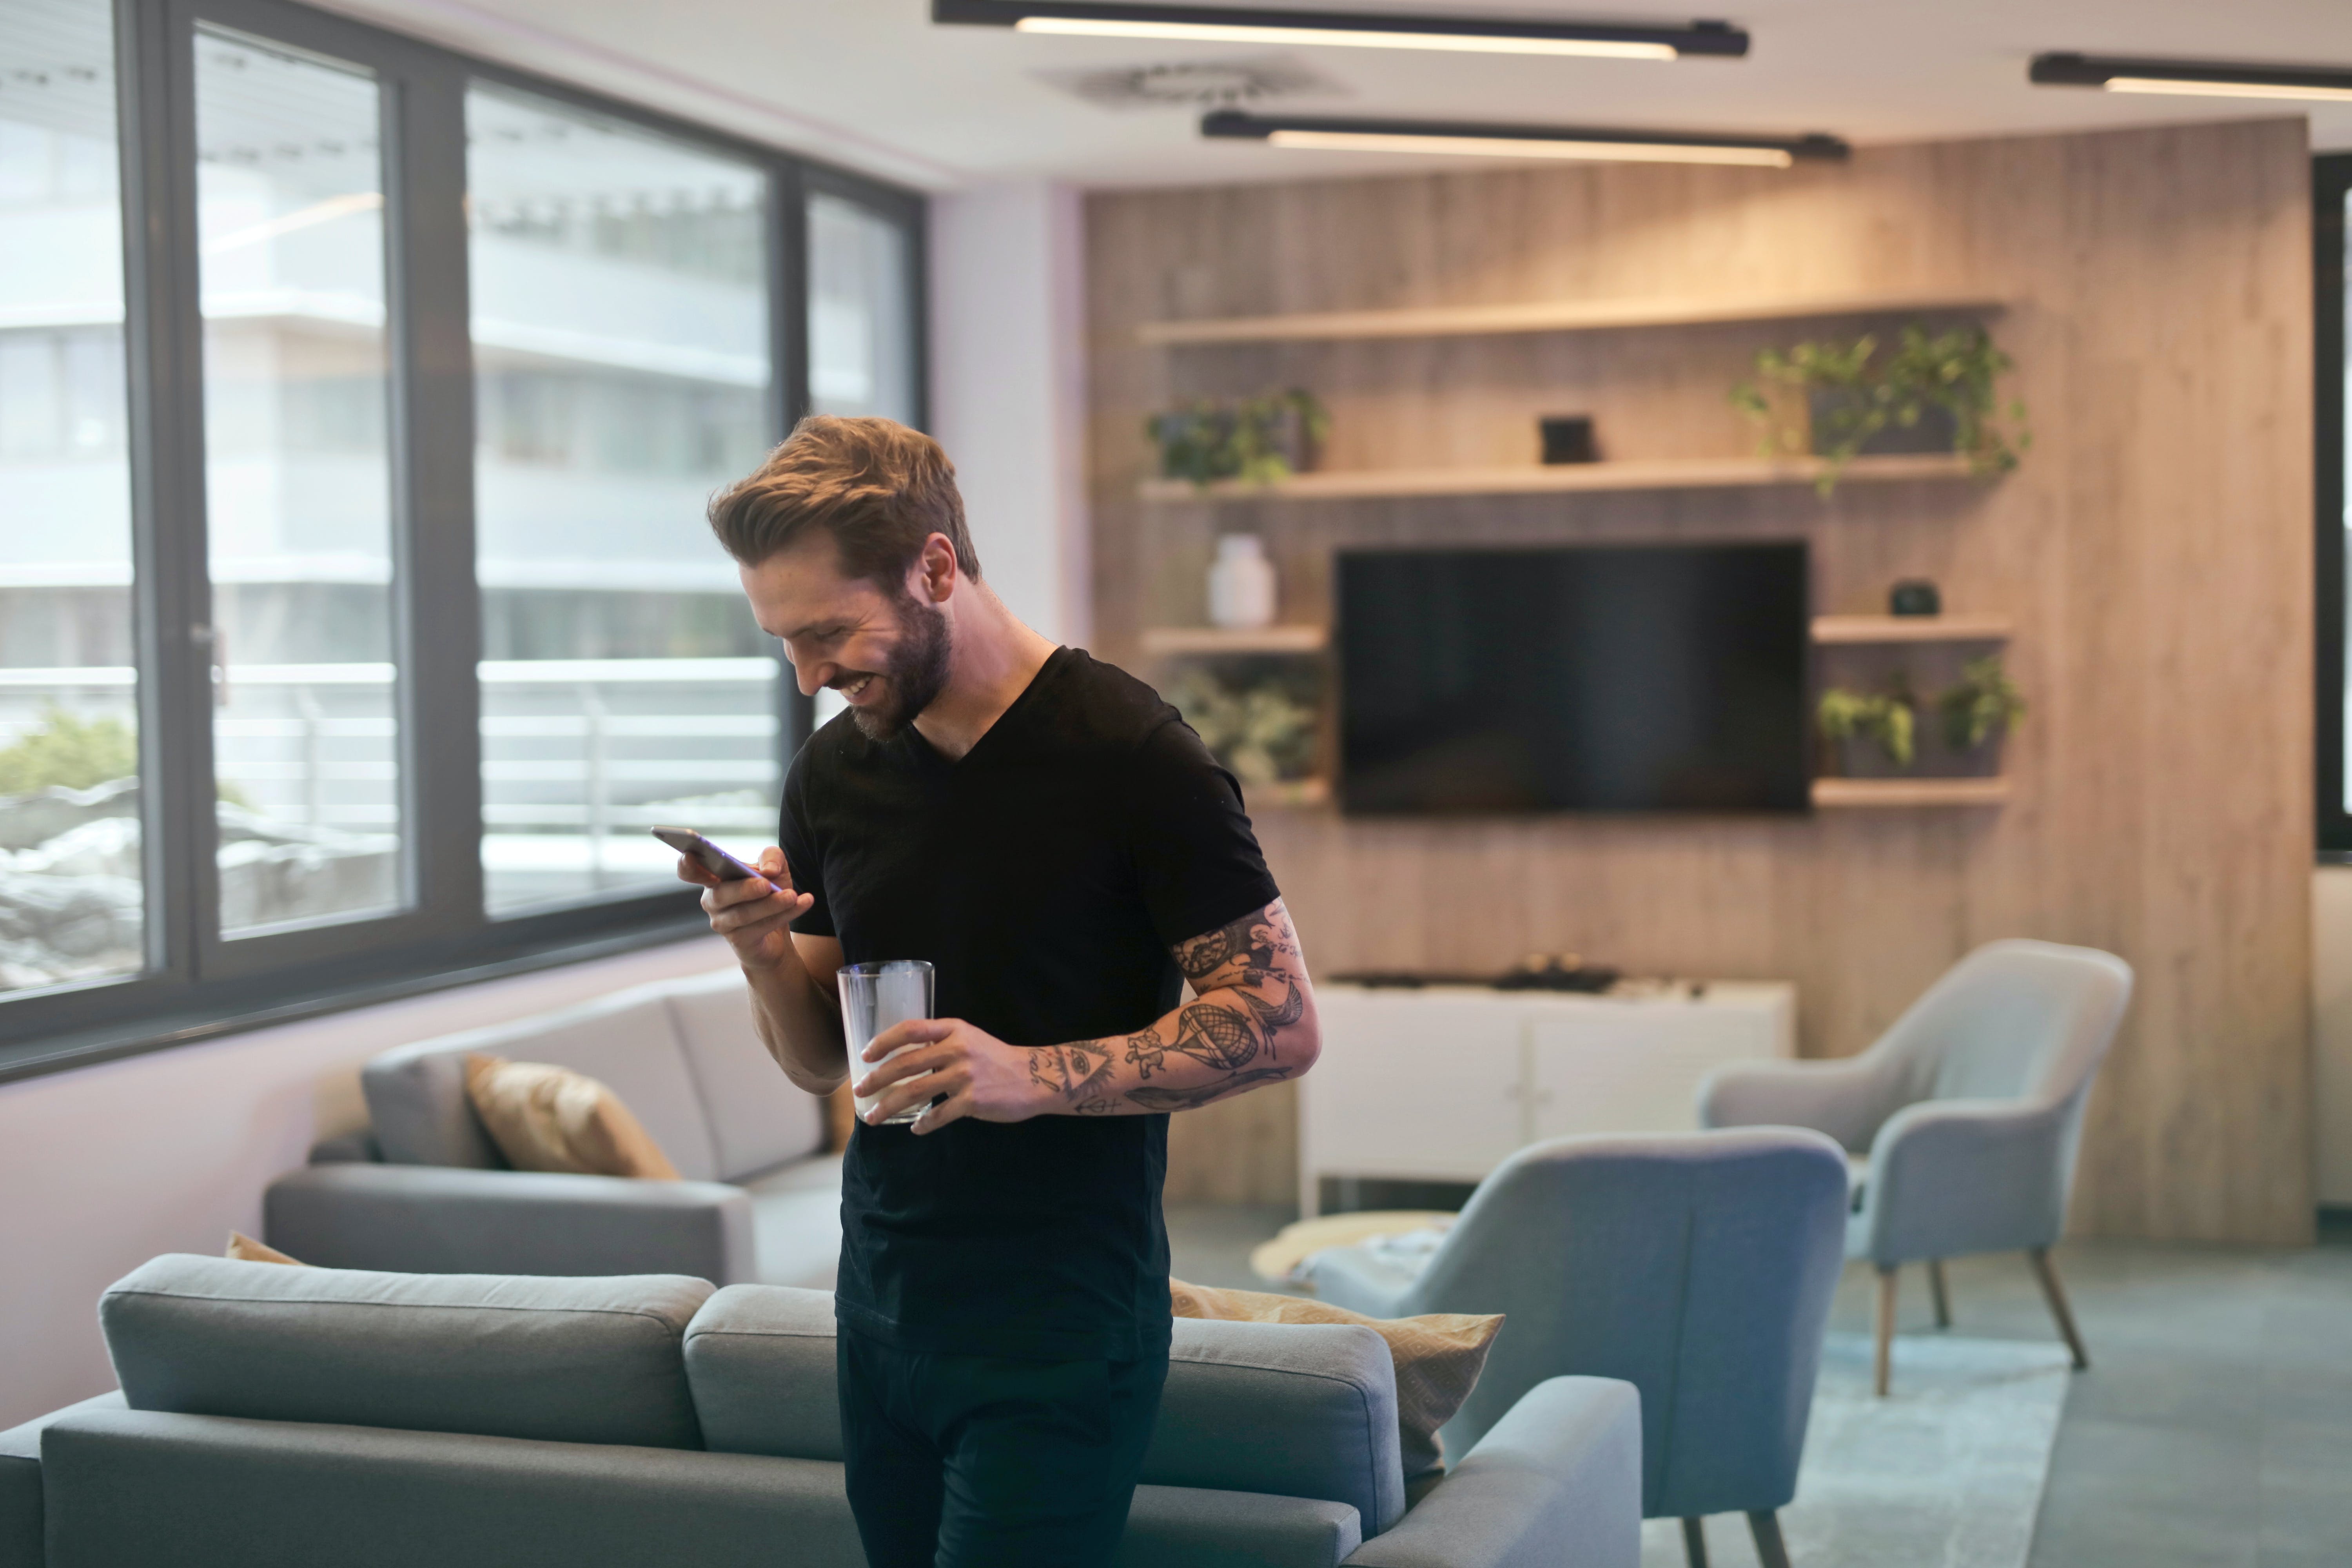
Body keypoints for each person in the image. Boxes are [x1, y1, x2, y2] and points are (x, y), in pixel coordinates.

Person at [679, 414, 1321, 1568]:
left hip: (1064, 1317)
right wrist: (764, 952)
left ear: (935, 567)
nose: (809, 677)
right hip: (880, 1302)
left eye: (828, 632)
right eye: (783, 642)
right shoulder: (830, 773)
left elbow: (1279, 1022)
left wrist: (1028, 1075)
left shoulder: (1134, 756)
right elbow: (825, 1060)